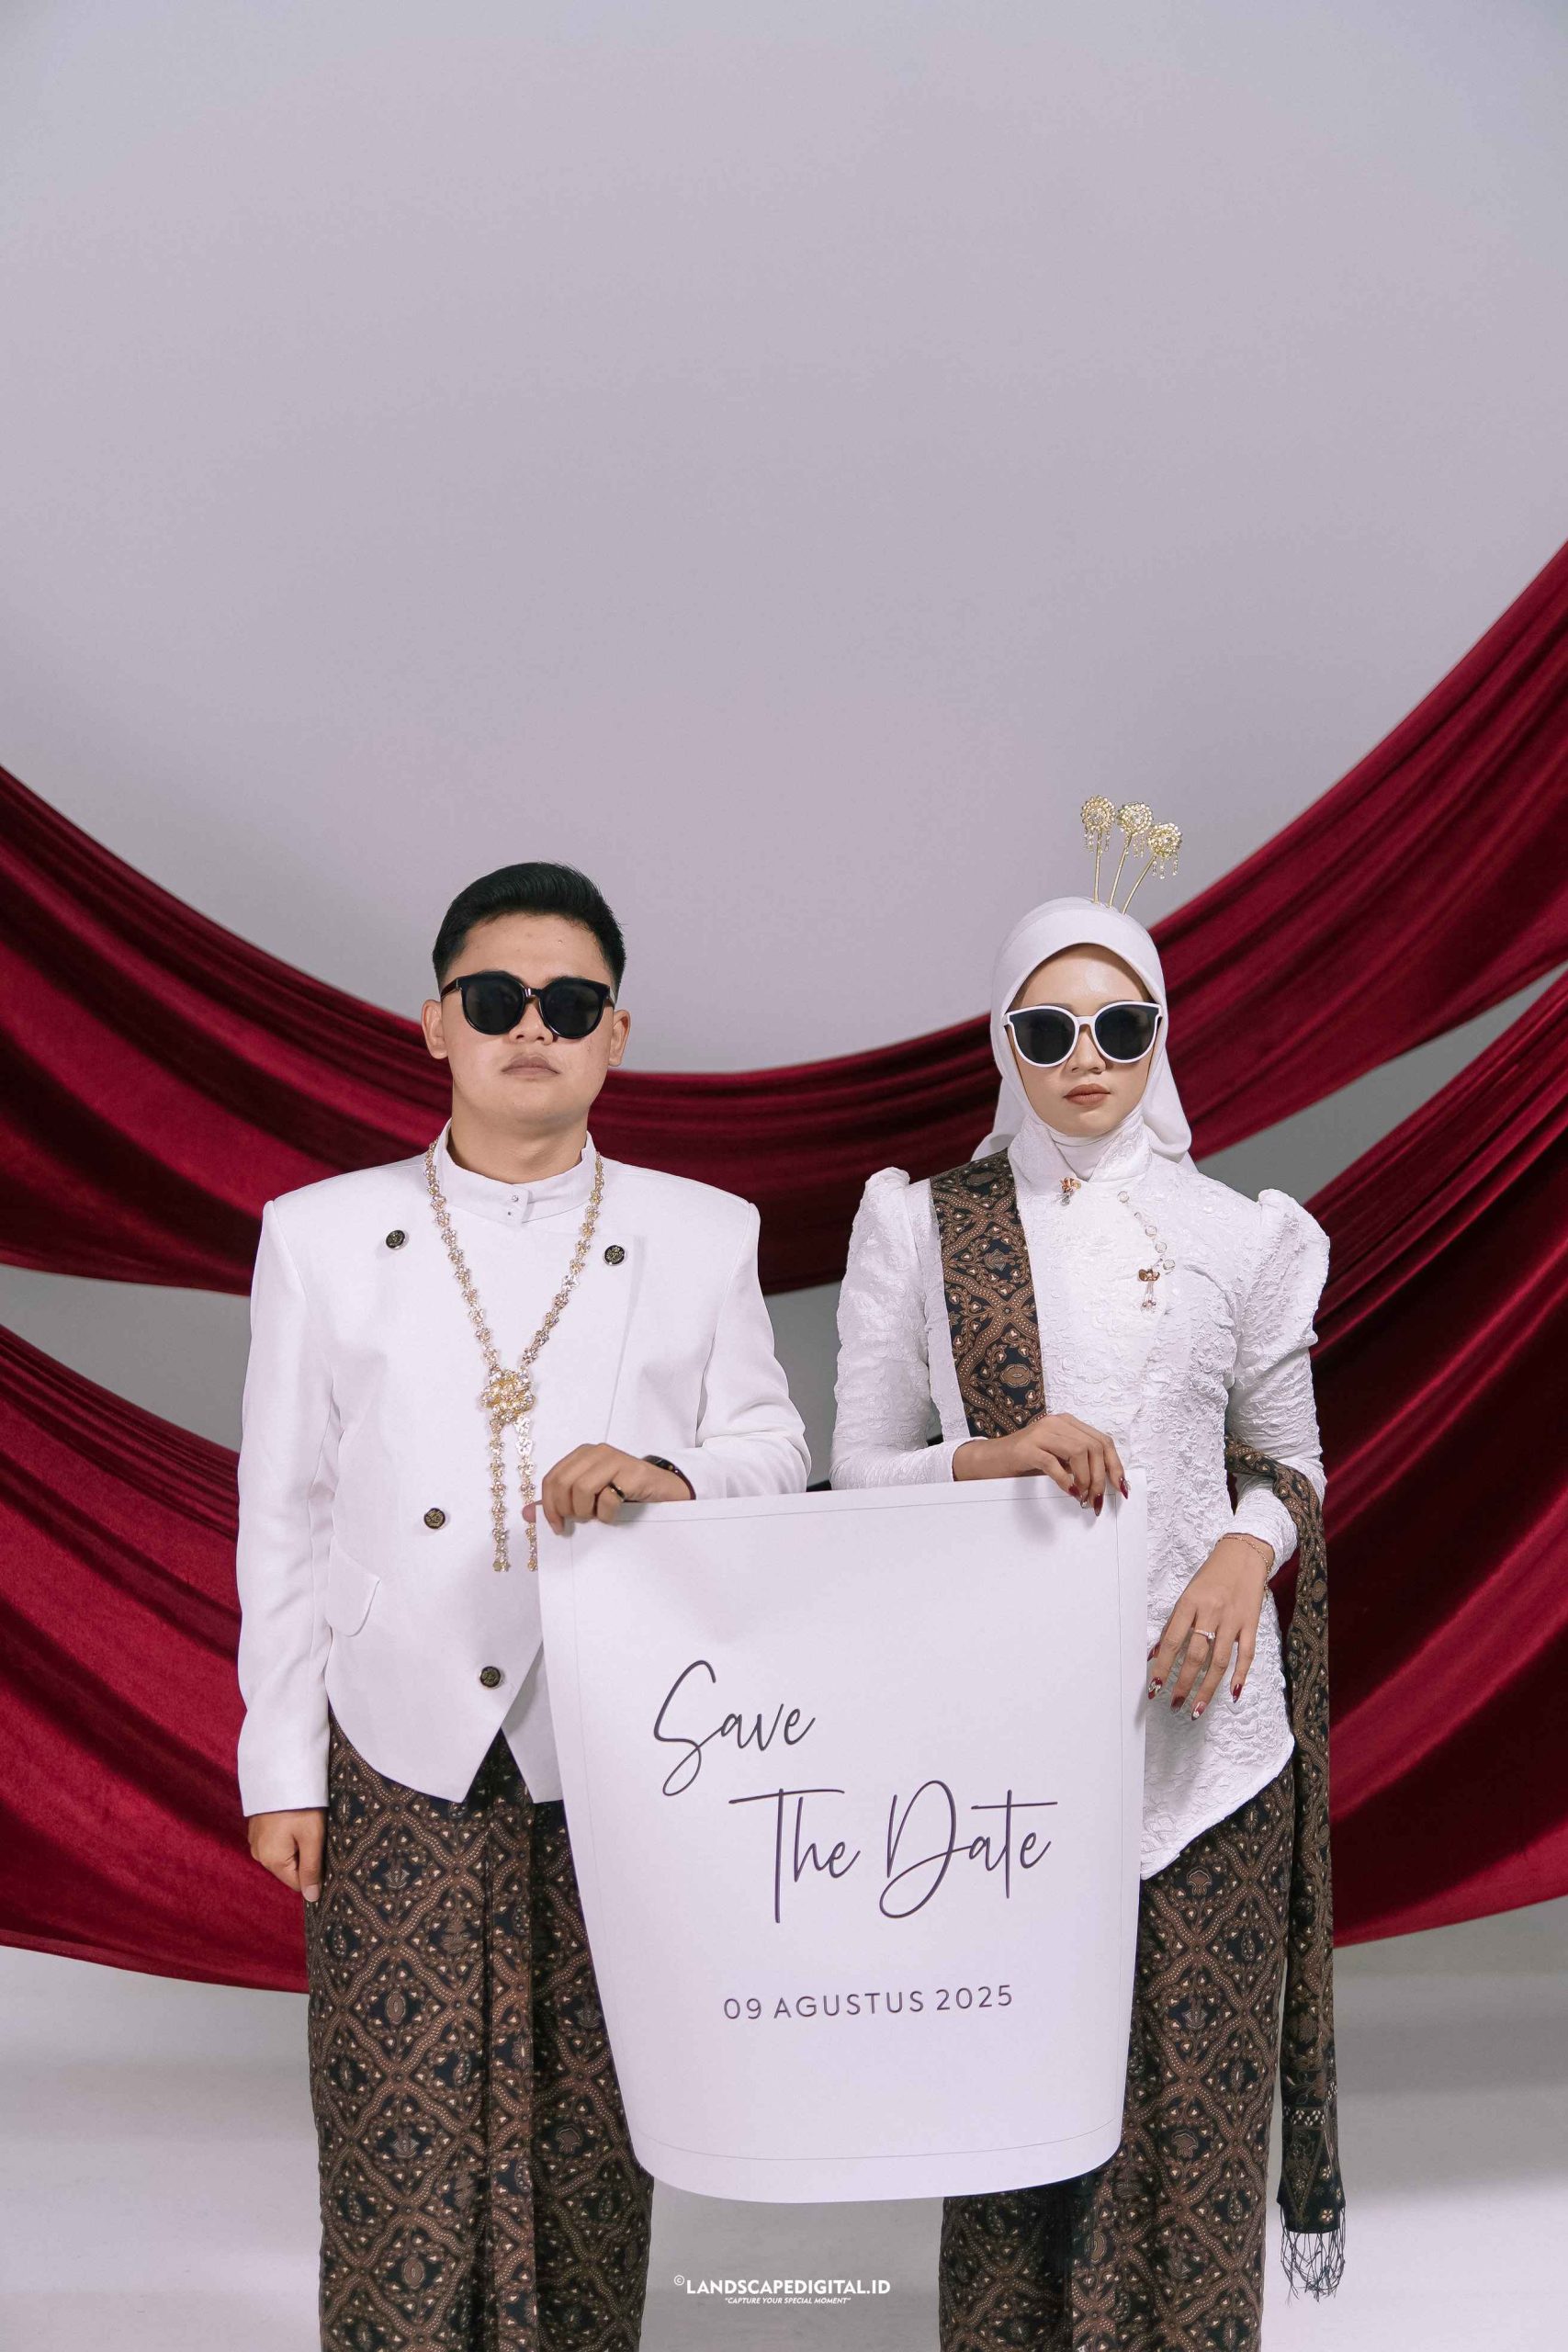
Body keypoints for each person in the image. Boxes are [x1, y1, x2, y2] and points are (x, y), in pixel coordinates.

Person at [236, 860, 810, 2352]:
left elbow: (775, 1452)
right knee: (393, 2134)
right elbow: (285, 1513)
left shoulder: (705, 1231)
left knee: (593, 2138)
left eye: (569, 1001)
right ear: (435, 1024)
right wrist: (280, 1766)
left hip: (617, 1743)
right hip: (394, 1730)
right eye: (495, 999)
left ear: (618, 1032)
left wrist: (669, 1474)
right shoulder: (315, 1234)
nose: (531, 1027)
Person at [829, 809, 1344, 2350]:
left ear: (1160, 1035)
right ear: (1006, 1043)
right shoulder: (925, 1227)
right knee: (1015, 2126)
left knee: (1196, 2125)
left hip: (1210, 1753)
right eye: (1046, 1029)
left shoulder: (1239, 1236)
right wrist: (986, 1457)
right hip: (1002, 1757)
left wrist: (1246, 1551)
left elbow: (1293, 1464)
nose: (1085, 1058)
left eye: (1120, 1026)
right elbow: (854, 1477)